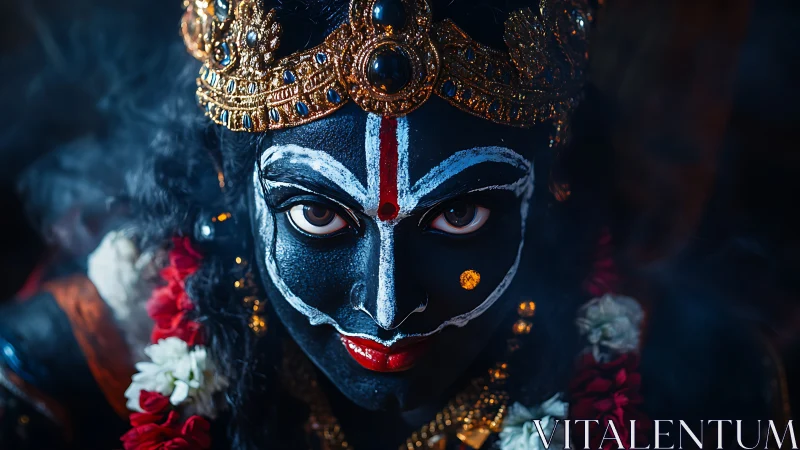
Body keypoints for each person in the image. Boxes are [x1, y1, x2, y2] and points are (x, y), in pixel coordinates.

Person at [0, 0, 788, 449]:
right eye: (317, 214)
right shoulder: (70, 365)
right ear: (225, 184)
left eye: (459, 213)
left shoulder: (699, 391)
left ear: (557, 184)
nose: (386, 310)